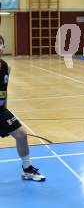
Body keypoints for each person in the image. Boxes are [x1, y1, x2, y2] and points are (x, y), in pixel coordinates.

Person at [0, 36, 45, 181]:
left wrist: (5, 110)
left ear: (3, 47)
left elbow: (4, 91)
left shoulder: (7, 67)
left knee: (21, 134)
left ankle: (27, 170)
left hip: (1, 111)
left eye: (0, 44)